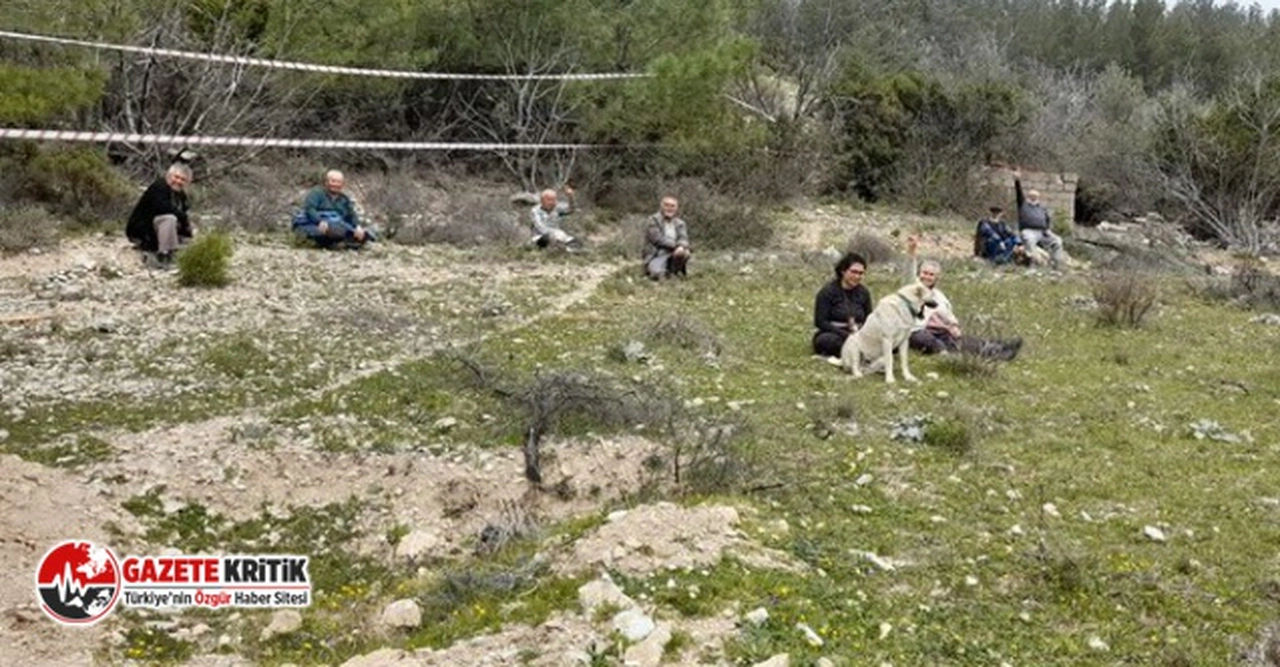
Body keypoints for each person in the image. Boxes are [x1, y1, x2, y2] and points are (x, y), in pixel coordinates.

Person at [906, 236, 1022, 360]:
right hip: (917, 331)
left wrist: (954, 326)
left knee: (963, 341)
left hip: (939, 332)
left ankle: (1000, 349)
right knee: (926, 339)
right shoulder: (913, 288)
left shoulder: (939, 296)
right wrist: (911, 251)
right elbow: (909, 271)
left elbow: (948, 315)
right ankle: (946, 355)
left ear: (936, 278)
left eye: (931, 275)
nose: (927, 277)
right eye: (925, 273)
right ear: (919, 274)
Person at [126, 162, 194, 269]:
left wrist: (187, 232)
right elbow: (163, 208)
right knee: (170, 219)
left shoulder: (180, 195)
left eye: (183, 179)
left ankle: (172, 251)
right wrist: (182, 217)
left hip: (157, 230)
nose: (178, 181)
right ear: (169, 175)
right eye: (176, 177)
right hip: (142, 231)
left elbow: (183, 215)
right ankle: (164, 254)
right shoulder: (159, 187)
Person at [292, 170, 373, 249]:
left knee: (361, 234)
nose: (336, 184)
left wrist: (357, 226)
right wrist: (320, 221)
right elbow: (310, 209)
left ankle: (342, 242)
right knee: (320, 233)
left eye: (339, 182)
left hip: (337, 225)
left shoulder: (344, 199)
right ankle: (338, 242)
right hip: (313, 224)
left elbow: (351, 215)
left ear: (342, 184)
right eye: (333, 181)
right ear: (326, 182)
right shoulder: (317, 193)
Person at [812, 252, 873, 358]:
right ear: (843, 271)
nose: (857, 276)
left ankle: (863, 351)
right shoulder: (827, 292)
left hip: (859, 332)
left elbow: (869, 318)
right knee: (825, 341)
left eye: (861, 273)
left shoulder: (864, 293)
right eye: (854, 272)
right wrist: (846, 335)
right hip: (836, 333)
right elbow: (820, 322)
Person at [1013, 167, 1064, 268]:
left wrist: (1047, 229)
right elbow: (1018, 193)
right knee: (1029, 240)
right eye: (1031, 196)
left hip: (1043, 232)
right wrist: (1017, 180)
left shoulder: (1041, 208)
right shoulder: (1023, 205)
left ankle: (1056, 265)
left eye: (1035, 197)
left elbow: (1047, 219)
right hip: (1029, 231)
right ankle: (1033, 265)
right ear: (1028, 197)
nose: (1033, 198)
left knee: (1058, 241)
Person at [643, 196, 691, 279]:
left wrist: (681, 247)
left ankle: (674, 272)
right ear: (661, 206)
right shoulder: (653, 220)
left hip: (673, 254)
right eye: (666, 205)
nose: (669, 208)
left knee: (684, 253)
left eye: (672, 206)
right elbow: (657, 239)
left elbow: (684, 239)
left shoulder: (680, 223)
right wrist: (676, 245)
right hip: (656, 255)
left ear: (676, 208)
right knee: (656, 274)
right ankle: (662, 272)